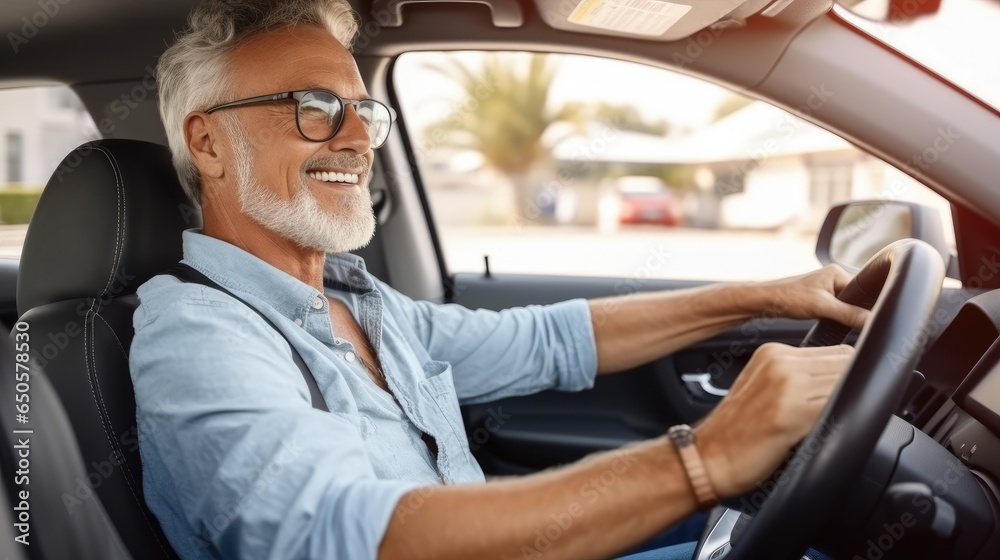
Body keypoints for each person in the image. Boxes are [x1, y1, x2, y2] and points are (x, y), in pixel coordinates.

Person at [131, 1, 866, 558]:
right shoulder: (197, 336)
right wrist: (703, 460)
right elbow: (341, 534)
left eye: (362, 111)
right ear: (209, 142)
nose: (355, 138)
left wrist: (771, 294)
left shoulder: (361, 303)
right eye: (315, 109)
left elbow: (552, 338)